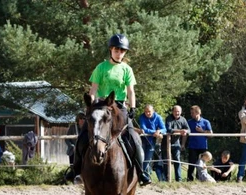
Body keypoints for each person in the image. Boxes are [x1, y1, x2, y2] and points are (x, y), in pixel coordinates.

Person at [72, 33, 151, 186]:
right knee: (82, 137)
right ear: (111, 50)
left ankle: (142, 173)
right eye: (116, 50)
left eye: (122, 51)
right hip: (101, 107)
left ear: (124, 52)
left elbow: (130, 91)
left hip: (120, 108)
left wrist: (132, 107)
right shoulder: (101, 68)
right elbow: (93, 89)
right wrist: (91, 106)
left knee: (135, 139)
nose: (119, 53)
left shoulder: (127, 69)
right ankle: (76, 172)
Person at [161, 105, 190, 182]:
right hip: (166, 143)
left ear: (181, 112)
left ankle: (179, 179)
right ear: (172, 111)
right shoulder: (169, 118)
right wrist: (180, 131)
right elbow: (169, 129)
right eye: (175, 111)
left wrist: (185, 131)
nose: (177, 113)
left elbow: (188, 129)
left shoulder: (183, 119)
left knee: (177, 160)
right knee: (166, 161)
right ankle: (166, 178)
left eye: (178, 111)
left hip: (176, 143)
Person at [187, 105, 213, 181]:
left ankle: (201, 179)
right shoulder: (189, 122)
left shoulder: (206, 122)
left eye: (192, 113)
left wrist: (202, 131)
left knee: (201, 164)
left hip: (202, 146)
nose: (191, 114)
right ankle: (190, 179)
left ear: (198, 113)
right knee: (191, 164)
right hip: (192, 146)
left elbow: (211, 134)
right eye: (191, 113)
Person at [138, 104, 166, 174]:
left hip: (152, 141)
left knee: (148, 158)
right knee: (141, 157)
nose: (147, 113)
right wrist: (155, 132)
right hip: (142, 140)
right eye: (146, 112)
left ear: (153, 111)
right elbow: (144, 129)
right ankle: (141, 174)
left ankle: (144, 174)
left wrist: (159, 131)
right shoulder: (142, 117)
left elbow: (164, 129)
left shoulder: (158, 117)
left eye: (149, 111)